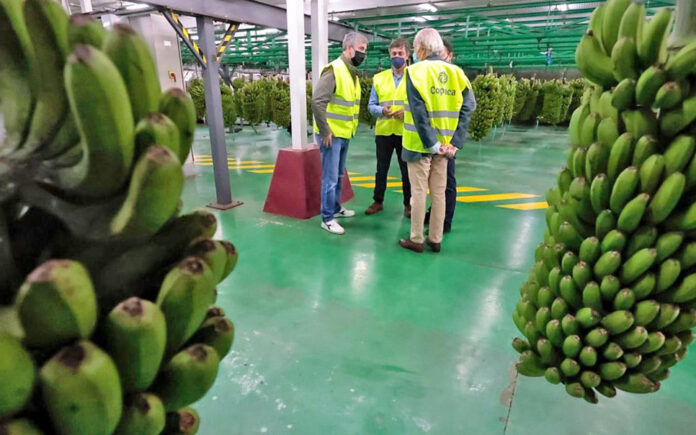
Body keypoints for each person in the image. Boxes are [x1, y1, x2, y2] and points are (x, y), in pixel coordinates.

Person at [399, 28, 476, 253]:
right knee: (439, 192)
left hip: (418, 145)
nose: (414, 53)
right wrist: (455, 142)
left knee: (419, 192)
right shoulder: (457, 73)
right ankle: (435, 238)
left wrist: (431, 143)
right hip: (445, 147)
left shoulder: (414, 72)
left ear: (422, 48)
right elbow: (469, 105)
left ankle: (416, 239)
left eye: (414, 48)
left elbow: (419, 112)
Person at [311, 32, 369, 235]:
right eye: (361, 50)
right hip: (331, 136)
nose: (363, 55)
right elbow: (317, 102)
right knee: (330, 178)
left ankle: (335, 208)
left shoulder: (351, 73)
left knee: (338, 174)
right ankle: (327, 218)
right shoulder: (334, 71)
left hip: (344, 134)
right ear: (349, 49)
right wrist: (325, 131)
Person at [364, 39, 412, 218]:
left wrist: (406, 113)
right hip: (384, 131)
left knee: (406, 170)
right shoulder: (379, 78)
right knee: (381, 168)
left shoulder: (414, 78)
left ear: (407, 55)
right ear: (390, 56)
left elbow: (419, 105)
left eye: (400, 54)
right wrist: (382, 111)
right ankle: (378, 201)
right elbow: (371, 105)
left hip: (405, 131)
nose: (397, 57)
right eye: (394, 54)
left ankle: (409, 204)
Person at [425, 39, 460, 233]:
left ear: (450, 56)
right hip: (429, 140)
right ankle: (434, 214)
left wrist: (455, 142)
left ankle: (445, 220)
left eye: (443, 53)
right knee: (433, 182)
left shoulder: (456, 77)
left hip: (447, 142)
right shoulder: (431, 78)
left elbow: (466, 109)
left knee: (447, 182)